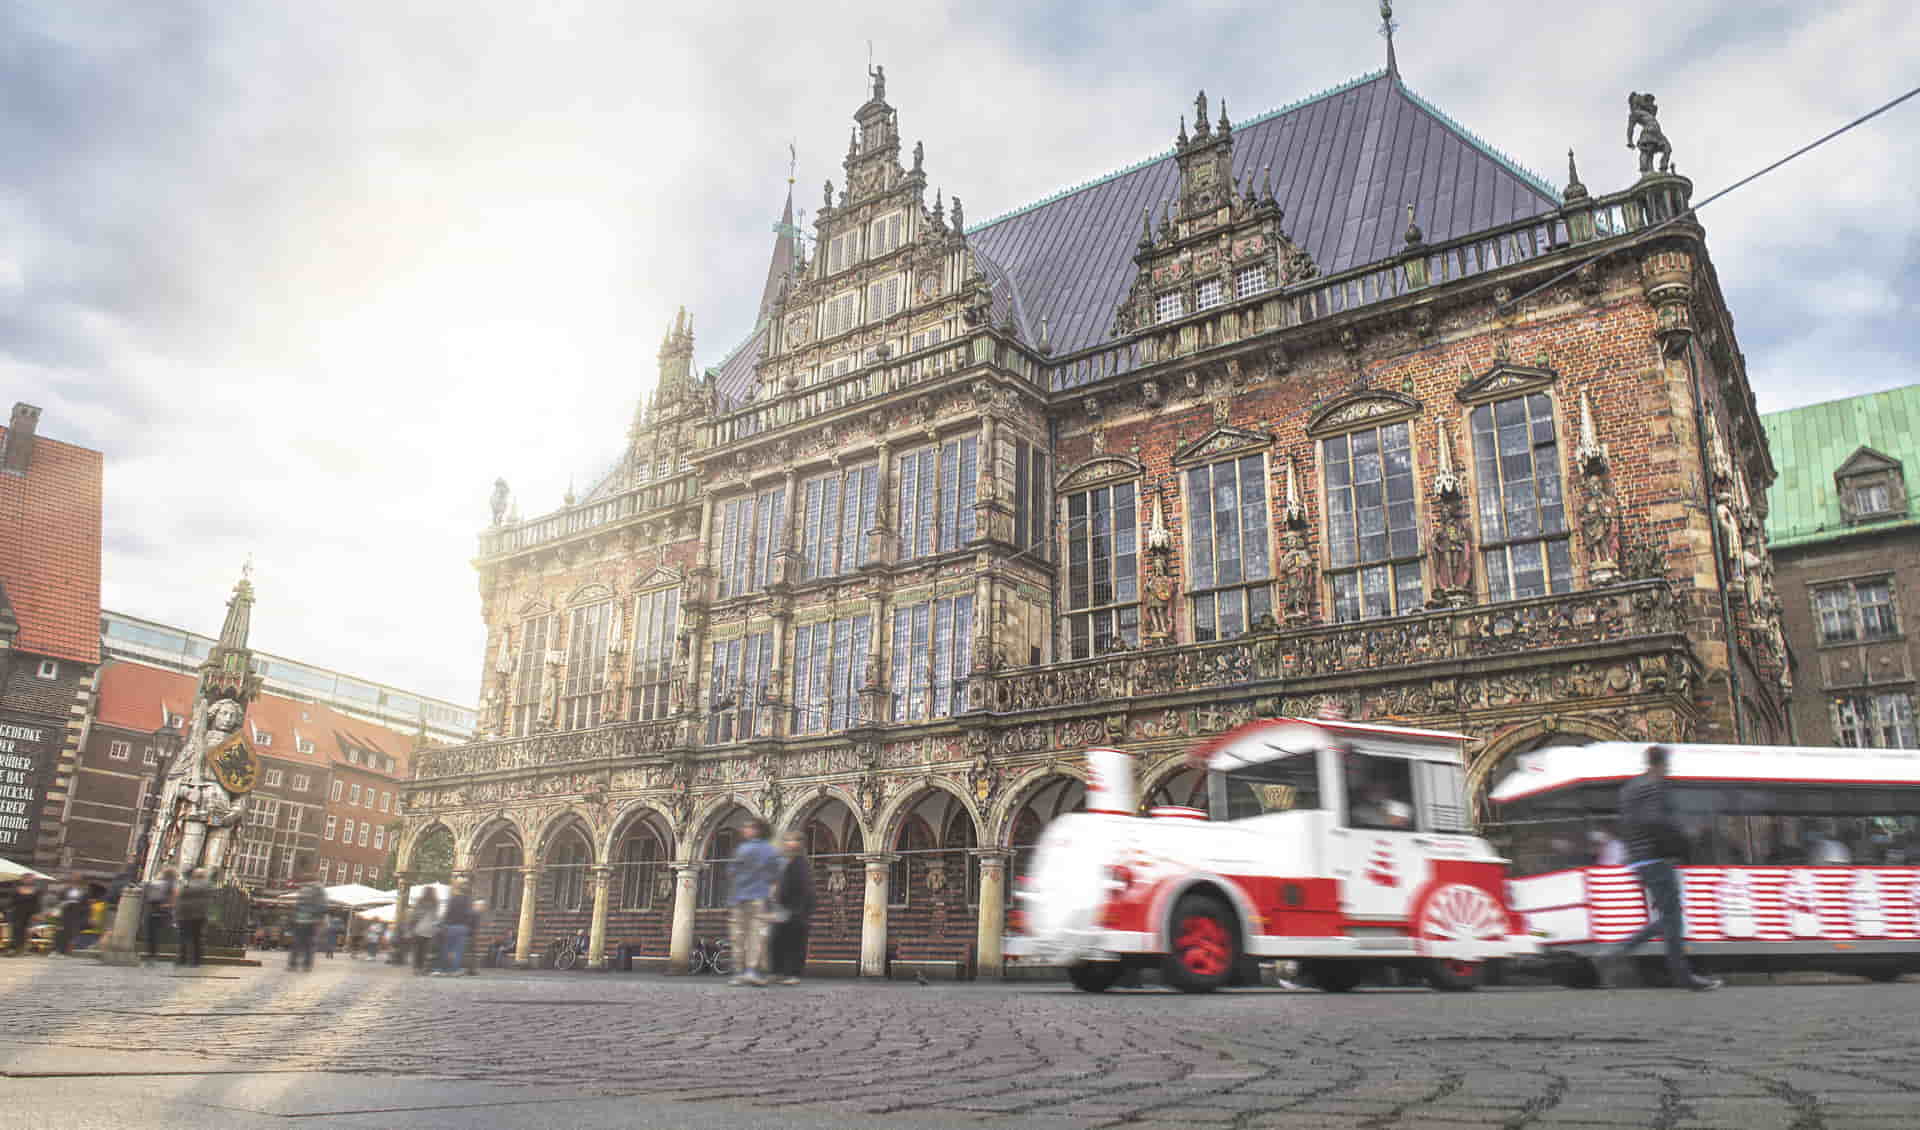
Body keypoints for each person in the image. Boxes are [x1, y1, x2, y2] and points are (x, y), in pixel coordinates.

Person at [1610, 746, 1720, 991]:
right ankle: (1681, 976)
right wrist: (1682, 840)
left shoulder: (1630, 788)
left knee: (1669, 918)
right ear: (1661, 763)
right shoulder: (1653, 785)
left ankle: (1620, 950)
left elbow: (1628, 824)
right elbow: (1655, 821)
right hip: (1656, 858)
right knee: (1672, 918)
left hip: (1638, 859)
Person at [726, 819, 784, 987]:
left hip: (740, 898)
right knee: (755, 936)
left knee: (738, 935)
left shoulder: (743, 849)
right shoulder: (770, 850)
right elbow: (777, 872)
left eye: (748, 826)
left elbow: (731, 872)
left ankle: (740, 972)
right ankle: (751, 970)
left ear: (757, 830)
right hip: (759, 897)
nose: (745, 829)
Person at [769, 832, 815, 986]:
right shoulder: (786, 861)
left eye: (793, 840)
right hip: (784, 908)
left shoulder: (801, 864)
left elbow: (805, 889)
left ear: (799, 844)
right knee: (777, 941)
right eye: (787, 840)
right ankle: (778, 972)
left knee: (795, 944)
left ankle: (793, 974)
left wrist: (801, 910)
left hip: (797, 910)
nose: (789, 843)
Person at [173, 868, 212, 968]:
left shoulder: (187, 885)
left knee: (184, 937)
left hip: (185, 914)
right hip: (199, 915)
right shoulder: (207, 886)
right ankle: (195, 961)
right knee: (197, 938)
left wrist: (177, 913)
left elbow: (179, 897)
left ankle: (182, 959)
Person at [436, 880, 475, 976]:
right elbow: (470, 914)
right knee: (458, 950)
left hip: (450, 927)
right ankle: (454, 969)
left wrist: (443, 925)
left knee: (447, 948)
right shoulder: (467, 900)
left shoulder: (452, 899)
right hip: (462, 927)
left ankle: (443, 969)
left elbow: (447, 914)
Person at [288, 873, 327, 972]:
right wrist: (320, 918)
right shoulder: (320, 889)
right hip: (312, 921)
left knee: (297, 943)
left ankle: (292, 964)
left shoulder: (303, 889)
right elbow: (322, 905)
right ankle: (307, 965)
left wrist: (294, 918)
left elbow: (297, 905)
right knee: (310, 944)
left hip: (300, 920)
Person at [142, 869, 177, 962]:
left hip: (152, 909)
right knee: (156, 933)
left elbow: (146, 895)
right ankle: (153, 955)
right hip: (162, 911)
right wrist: (169, 906)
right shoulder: (170, 884)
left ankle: (151, 954)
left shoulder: (154, 882)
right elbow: (174, 898)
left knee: (151, 933)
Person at [407, 887, 441, 976]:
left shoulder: (420, 902)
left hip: (419, 928)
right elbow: (436, 917)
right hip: (429, 930)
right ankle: (421, 968)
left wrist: (410, 926)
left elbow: (414, 915)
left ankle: (416, 969)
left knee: (417, 950)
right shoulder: (435, 903)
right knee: (424, 951)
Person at [6, 877, 39, 956]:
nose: (28, 880)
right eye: (27, 878)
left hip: (29, 914)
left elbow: (37, 903)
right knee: (16, 931)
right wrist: (9, 909)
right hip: (18, 913)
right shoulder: (17, 890)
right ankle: (13, 949)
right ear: (23, 880)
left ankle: (24, 949)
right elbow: (12, 902)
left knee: (27, 932)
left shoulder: (35, 891)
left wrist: (36, 913)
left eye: (30, 879)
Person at [55, 876, 87, 955]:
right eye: (73, 881)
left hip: (76, 916)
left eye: (77, 881)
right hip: (65, 915)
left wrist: (82, 912)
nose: (74, 882)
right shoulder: (64, 891)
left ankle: (67, 951)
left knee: (72, 933)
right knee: (62, 932)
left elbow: (85, 906)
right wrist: (64, 904)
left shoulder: (83, 893)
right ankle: (59, 950)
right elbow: (59, 902)